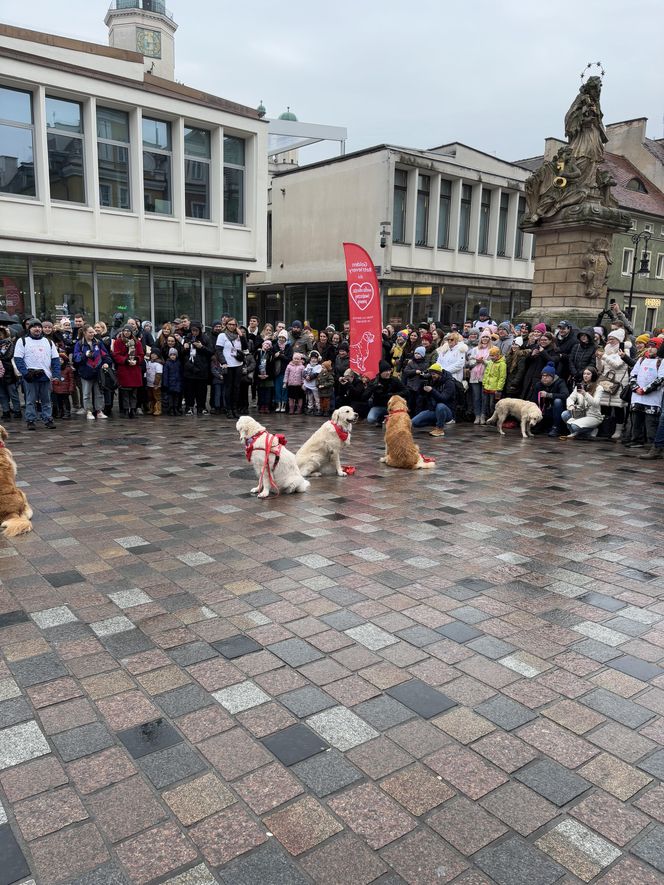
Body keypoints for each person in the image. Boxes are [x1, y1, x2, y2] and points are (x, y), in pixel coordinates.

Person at [13, 319, 60, 430]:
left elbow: (55, 359)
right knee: (30, 400)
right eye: (34, 327)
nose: (37, 329)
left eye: (39, 326)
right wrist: (25, 373)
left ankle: (48, 419)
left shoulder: (48, 342)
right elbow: (18, 359)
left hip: (46, 375)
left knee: (46, 400)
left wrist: (56, 374)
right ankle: (30, 420)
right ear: (29, 329)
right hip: (30, 376)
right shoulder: (22, 341)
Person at [626, 339, 664, 449]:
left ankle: (652, 442)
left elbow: (661, 378)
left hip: (652, 397)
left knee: (651, 421)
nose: (650, 348)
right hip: (637, 396)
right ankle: (636, 439)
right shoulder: (641, 359)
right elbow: (633, 374)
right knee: (636, 419)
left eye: (654, 346)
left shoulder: (661, 361)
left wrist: (646, 389)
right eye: (649, 346)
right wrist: (636, 388)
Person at [596, 328, 631, 440]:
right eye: (609, 338)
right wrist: (598, 359)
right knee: (605, 406)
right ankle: (605, 429)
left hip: (619, 382)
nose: (609, 340)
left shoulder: (624, 349)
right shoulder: (606, 349)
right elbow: (600, 368)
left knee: (618, 408)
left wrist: (604, 357)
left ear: (618, 339)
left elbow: (618, 365)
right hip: (607, 381)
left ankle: (618, 430)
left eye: (612, 338)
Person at [73, 324, 112, 421]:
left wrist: (106, 363)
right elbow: (76, 358)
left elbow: (105, 355)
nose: (92, 334)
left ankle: (99, 411)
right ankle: (89, 411)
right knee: (86, 394)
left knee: (99, 393)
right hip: (86, 373)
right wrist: (84, 355)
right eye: (90, 332)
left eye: (93, 332)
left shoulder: (98, 342)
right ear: (85, 333)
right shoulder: (79, 344)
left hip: (98, 372)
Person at [411, 363, 456, 437]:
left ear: (440, 374)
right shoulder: (430, 380)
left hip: (447, 411)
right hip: (433, 409)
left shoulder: (449, 383)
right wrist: (422, 385)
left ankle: (439, 429)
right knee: (414, 422)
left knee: (440, 406)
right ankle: (437, 422)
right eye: (431, 374)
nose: (432, 376)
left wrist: (432, 390)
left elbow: (443, 399)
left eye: (434, 374)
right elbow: (420, 395)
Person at [560, 367, 603, 439]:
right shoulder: (579, 386)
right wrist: (571, 405)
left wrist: (585, 394)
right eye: (584, 374)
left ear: (593, 375)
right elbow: (570, 398)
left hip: (593, 416)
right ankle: (581, 433)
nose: (585, 376)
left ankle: (590, 430)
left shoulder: (599, 388)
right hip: (580, 413)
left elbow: (596, 403)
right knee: (565, 414)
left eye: (588, 374)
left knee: (574, 426)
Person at [112, 325, 144, 419]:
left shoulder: (137, 342)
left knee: (134, 392)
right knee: (125, 392)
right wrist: (125, 360)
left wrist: (137, 360)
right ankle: (126, 409)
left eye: (128, 331)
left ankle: (133, 409)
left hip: (134, 369)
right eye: (125, 331)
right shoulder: (118, 342)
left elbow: (141, 354)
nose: (126, 332)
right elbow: (116, 355)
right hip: (124, 369)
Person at [216, 317, 244, 419]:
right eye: (230, 324)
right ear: (226, 325)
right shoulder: (222, 335)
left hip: (238, 364)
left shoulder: (239, 336)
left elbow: (245, 347)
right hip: (227, 364)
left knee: (236, 388)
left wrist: (241, 335)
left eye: (234, 324)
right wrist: (223, 362)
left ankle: (234, 408)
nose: (232, 326)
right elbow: (218, 350)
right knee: (228, 388)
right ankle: (228, 409)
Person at [182, 321, 212, 415]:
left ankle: (201, 407)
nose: (194, 332)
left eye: (196, 330)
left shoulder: (205, 338)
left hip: (202, 369)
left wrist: (201, 347)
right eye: (192, 330)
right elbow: (182, 354)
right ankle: (189, 407)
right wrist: (184, 348)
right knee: (189, 390)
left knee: (201, 391)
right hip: (190, 369)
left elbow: (211, 352)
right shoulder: (187, 338)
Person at [364, 360, 406, 426]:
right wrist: (373, 388)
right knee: (371, 419)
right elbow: (364, 396)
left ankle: (389, 419)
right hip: (379, 406)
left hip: (393, 406)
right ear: (380, 372)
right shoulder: (374, 381)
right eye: (386, 371)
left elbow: (406, 391)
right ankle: (380, 419)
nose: (388, 373)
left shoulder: (394, 380)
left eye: (389, 371)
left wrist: (392, 395)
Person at [532, 363, 569, 437]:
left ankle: (556, 427)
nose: (544, 378)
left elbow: (565, 395)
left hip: (557, 409)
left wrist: (549, 395)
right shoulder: (538, 385)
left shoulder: (560, 382)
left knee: (557, 401)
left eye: (547, 376)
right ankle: (539, 425)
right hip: (544, 409)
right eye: (543, 376)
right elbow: (535, 400)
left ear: (552, 377)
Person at [467, 330, 492, 423]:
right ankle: (477, 415)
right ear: (480, 339)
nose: (485, 339)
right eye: (483, 337)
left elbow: (493, 363)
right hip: (475, 376)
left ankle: (483, 415)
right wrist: (477, 361)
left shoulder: (492, 349)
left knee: (484, 397)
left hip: (486, 376)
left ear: (489, 339)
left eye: (487, 337)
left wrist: (484, 361)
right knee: (476, 397)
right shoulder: (475, 349)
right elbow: (470, 362)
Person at [481, 346, 507, 424]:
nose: (491, 357)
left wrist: (499, 389)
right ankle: (488, 418)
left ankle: (494, 420)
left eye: (493, 355)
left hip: (495, 389)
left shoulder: (502, 364)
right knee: (486, 404)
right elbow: (486, 373)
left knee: (493, 405)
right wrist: (484, 383)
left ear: (497, 355)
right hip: (487, 387)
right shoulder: (491, 362)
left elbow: (502, 377)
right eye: (490, 355)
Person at [0, 326, 21, 420]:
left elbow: (8, 356)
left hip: (9, 372)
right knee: (2, 394)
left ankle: (17, 411)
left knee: (13, 393)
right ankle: (6, 411)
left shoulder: (9, 343)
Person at [51, 352, 75, 419]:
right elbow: (53, 378)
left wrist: (71, 388)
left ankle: (67, 412)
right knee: (59, 401)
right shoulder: (55, 369)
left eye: (61, 360)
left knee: (66, 400)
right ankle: (60, 412)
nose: (60, 361)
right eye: (58, 360)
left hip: (65, 388)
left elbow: (71, 379)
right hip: (57, 388)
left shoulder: (68, 369)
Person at [272, 331, 292, 413]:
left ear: (286, 339)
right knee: (277, 388)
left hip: (285, 371)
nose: (281, 339)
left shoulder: (289, 347)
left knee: (284, 388)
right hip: (277, 371)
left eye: (283, 338)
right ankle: (278, 404)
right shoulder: (275, 346)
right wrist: (278, 356)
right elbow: (272, 357)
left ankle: (283, 404)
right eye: (280, 337)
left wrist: (280, 355)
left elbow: (289, 358)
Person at [255, 339, 275, 414]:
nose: (267, 345)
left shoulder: (271, 354)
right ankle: (261, 406)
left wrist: (268, 375)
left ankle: (266, 406)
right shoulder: (257, 353)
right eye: (266, 344)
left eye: (269, 345)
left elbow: (272, 366)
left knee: (268, 392)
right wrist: (257, 375)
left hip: (268, 376)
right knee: (260, 392)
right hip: (259, 376)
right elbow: (255, 364)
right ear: (262, 344)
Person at [163, 348, 183, 415]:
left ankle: (175, 408)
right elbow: (165, 374)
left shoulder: (179, 363)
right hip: (170, 384)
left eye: (174, 355)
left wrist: (181, 383)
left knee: (176, 398)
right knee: (170, 398)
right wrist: (165, 384)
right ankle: (171, 409)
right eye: (171, 355)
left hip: (177, 384)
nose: (172, 356)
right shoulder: (167, 363)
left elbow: (180, 373)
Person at [303, 350, 322, 415]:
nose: (313, 360)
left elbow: (316, 374)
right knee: (309, 398)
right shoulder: (308, 365)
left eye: (315, 358)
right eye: (312, 358)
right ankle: (310, 408)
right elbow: (304, 372)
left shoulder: (319, 366)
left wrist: (310, 377)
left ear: (318, 359)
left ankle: (318, 408)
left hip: (314, 385)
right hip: (308, 385)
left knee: (317, 398)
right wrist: (306, 376)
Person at [145, 351, 163, 416]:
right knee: (150, 397)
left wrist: (156, 383)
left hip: (156, 384)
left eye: (155, 354)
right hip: (149, 383)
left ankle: (158, 409)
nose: (153, 355)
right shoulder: (149, 362)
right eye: (152, 354)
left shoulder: (158, 364)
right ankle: (151, 408)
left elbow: (159, 374)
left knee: (157, 397)